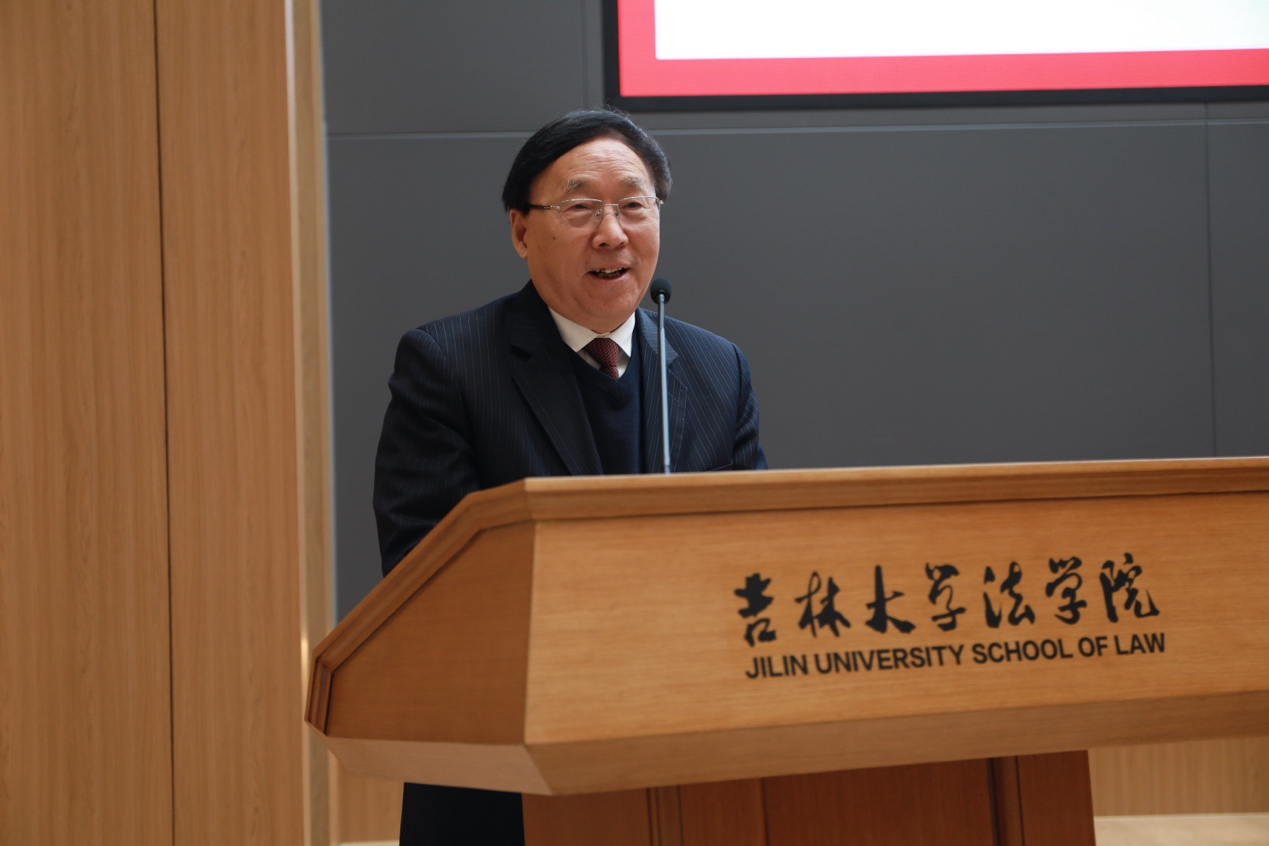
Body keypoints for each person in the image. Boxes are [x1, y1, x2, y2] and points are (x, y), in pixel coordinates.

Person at [372, 107, 767, 845]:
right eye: (581, 208)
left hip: (684, 764)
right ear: (521, 231)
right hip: (508, 778)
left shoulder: (717, 369)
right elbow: (424, 580)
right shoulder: (448, 364)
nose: (611, 233)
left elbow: (754, 562)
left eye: (633, 206)